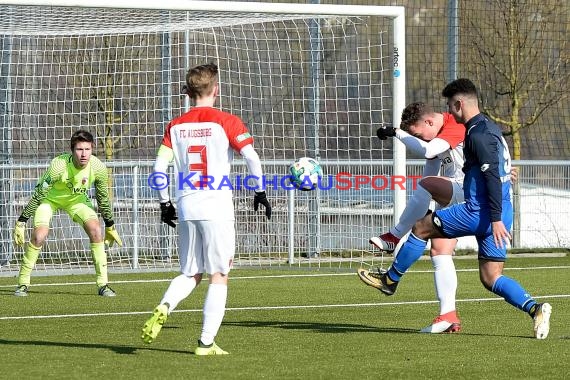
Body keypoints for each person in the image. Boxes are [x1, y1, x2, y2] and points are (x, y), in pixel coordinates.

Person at [360, 78, 552, 339]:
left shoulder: (475, 133)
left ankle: (390, 279)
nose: (448, 111)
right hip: (500, 210)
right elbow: (497, 168)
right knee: (490, 277)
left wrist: (493, 218)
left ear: (460, 104)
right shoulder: (491, 129)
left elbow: (492, 174)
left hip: (479, 210)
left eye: (450, 106)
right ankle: (535, 308)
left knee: (420, 228)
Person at [141, 63, 272, 355]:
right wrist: (260, 190)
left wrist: (165, 203)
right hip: (216, 207)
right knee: (219, 274)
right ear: (216, 90)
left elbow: (159, 167)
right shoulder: (226, 121)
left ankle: (165, 305)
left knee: (190, 273)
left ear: (188, 93)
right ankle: (206, 342)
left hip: (187, 205)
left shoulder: (175, 126)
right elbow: (252, 157)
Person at [359, 102, 466, 333]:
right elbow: (429, 176)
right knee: (440, 251)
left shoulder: (454, 125)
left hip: (472, 194)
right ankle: (448, 315)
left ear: (429, 122)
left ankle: (394, 238)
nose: (421, 140)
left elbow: (428, 153)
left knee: (492, 276)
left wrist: (397, 133)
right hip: (458, 194)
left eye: (418, 134)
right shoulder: (438, 141)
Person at [12, 130, 122, 297]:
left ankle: (103, 285)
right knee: (39, 236)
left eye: (87, 149)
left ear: (92, 149)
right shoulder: (59, 165)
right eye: (79, 149)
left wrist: (110, 224)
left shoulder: (98, 167)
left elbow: (102, 198)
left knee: (96, 230)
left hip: (77, 201)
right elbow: (40, 194)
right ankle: (22, 283)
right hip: (49, 200)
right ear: (72, 150)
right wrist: (21, 221)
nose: (83, 154)